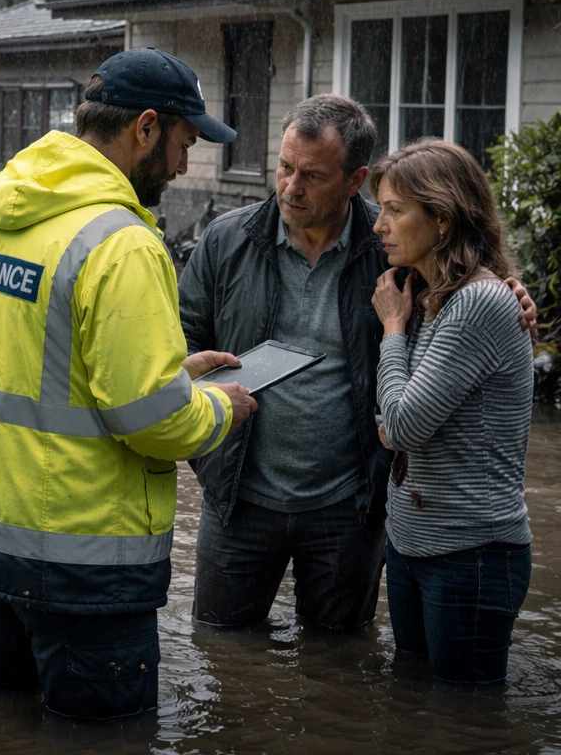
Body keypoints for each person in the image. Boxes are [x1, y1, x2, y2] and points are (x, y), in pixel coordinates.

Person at [0, 47, 258, 720]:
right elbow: (153, 424)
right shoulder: (121, 242)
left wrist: (171, 376)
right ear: (144, 128)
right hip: (83, 565)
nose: (185, 164)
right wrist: (218, 411)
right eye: (183, 142)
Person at [179, 95, 536, 631]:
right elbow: (178, 342)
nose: (290, 188)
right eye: (284, 167)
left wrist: (512, 295)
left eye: (312, 175)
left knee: (340, 665)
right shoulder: (227, 240)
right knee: (222, 653)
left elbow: (456, 304)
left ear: (355, 179)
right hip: (238, 499)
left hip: (348, 508)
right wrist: (204, 444)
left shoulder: (393, 248)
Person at [370, 139, 534, 684]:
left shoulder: (477, 301)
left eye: (395, 211)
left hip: (472, 554)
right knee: (415, 707)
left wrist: (392, 328)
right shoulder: (429, 292)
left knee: (463, 720)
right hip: (415, 544)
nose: (380, 226)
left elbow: (402, 424)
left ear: (442, 218)